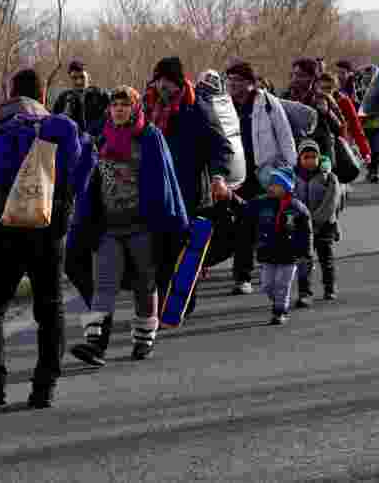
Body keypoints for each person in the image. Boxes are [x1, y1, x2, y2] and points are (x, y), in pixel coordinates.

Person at [0, 68, 81, 409]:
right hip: (47, 233)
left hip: (3, 234)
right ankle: (44, 386)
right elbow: (75, 181)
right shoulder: (59, 129)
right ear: (43, 97)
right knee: (50, 308)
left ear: (10, 94)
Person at [68, 86, 189, 366]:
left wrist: (170, 224)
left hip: (142, 227)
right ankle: (95, 345)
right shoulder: (100, 138)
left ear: (135, 108)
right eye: (115, 105)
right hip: (108, 228)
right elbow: (85, 180)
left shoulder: (150, 137)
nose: (119, 109)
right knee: (104, 285)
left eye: (125, 105)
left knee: (145, 284)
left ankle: (144, 341)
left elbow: (164, 181)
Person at [143, 57, 235, 313]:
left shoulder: (197, 109)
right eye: (158, 80)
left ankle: (184, 298)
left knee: (184, 251)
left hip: (189, 190)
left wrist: (218, 177)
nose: (162, 86)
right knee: (159, 250)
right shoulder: (147, 106)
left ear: (178, 82)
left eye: (167, 82)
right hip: (155, 190)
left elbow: (221, 147)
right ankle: (163, 303)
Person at [223, 61, 297, 295]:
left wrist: (289, 169)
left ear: (251, 83)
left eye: (239, 80)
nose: (233, 84)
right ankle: (242, 276)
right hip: (236, 173)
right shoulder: (224, 105)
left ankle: (268, 268)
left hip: (265, 171)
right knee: (242, 222)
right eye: (230, 80)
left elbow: (284, 135)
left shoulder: (266, 103)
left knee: (266, 222)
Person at [230, 167, 312, 325]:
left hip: (289, 255)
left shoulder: (297, 208)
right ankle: (279, 301)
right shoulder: (262, 203)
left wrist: (305, 253)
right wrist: (230, 197)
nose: (271, 187)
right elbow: (245, 207)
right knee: (267, 285)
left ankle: (280, 311)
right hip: (268, 253)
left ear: (286, 187)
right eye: (270, 184)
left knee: (282, 284)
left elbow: (306, 232)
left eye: (276, 185)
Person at [292, 140, 342, 306]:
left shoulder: (329, 177)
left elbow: (331, 202)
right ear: (299, 158)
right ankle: (305, 293)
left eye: (314, 157)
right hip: (302, 226)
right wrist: (300, 219)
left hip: (324, 225)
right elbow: (290, 201)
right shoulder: (293, 177)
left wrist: (316, 220)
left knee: (325, 258)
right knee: (304, 261)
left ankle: (330, 287)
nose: (310, 160)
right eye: (306, 157)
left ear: (319, 158)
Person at [282, 57, 343, 171]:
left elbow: (339, 129)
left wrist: (327, 113)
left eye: (301, 75)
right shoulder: (285, 98)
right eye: (294, 75)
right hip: (294, 156)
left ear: (312, 78)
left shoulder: (323, 98)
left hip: (321, 157)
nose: (295, 79)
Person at [315, 72, 371, 162]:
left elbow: (356, 126)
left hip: (340, 145)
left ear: (335, 88)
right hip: (318, 145)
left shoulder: (343, 101)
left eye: (329, 88)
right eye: (322, 88)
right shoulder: (313, 101)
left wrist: (365, 152)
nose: (325, 92)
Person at [50, 60, 110, 139]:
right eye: (74, 78)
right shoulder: (63, 98)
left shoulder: (100, 95)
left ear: (88, 76)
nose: (79, 82)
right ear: (70, 79)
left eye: (82, 77)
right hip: (72, 146)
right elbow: (53, 123)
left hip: (96, 145)